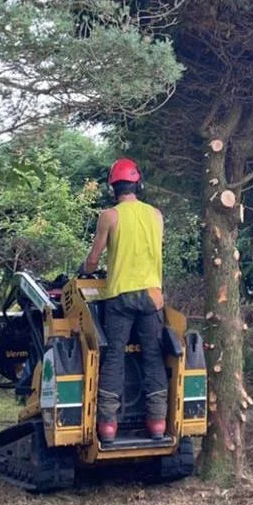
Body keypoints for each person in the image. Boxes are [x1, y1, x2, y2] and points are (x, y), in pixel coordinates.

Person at [81, 158, 167, 442]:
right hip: (152, 297)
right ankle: (157, 424)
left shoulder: (110, 216)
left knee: (114, 356)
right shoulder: (156, 215)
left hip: (119, 296)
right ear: (138, 185)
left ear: (113, 189)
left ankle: (107, 427)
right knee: (153, 355)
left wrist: (87, 269)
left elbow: (94, 259)